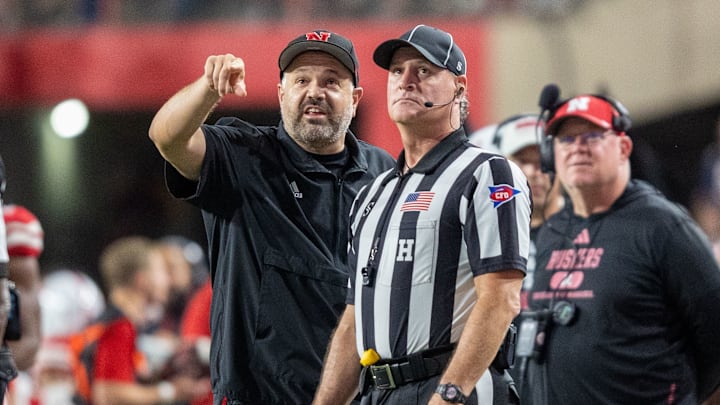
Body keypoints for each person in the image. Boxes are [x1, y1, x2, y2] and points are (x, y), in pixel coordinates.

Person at [148, 29, 395, 404]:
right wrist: (208, 88)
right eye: (301, 80)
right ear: (282, 93)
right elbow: (168, 138)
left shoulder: (384, 172)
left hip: (357, 396)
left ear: (355, 98)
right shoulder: (242, 155)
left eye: (331, 81)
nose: (315, 91)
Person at [313, 24, 531, 405]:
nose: (405, 81)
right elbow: (353, 322)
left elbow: (501, 298)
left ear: (460, 88)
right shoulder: (372, 194)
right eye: (397, 71)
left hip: (452, 388)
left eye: (424, 70)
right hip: (377, 391)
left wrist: (448, 395)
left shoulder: (487, 172)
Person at [524, 86, 720, 404]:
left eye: (592, 137)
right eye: (567, 140)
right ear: (552, 153)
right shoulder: (551, 232)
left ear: (624, 147)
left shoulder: (663, 226)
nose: (578, 148)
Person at [76, 236, 210, 404]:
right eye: (161, 271)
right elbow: (108, 396)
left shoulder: (115, 322)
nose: (167, 281)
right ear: (142, 279)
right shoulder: (119, 327)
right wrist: (171, 392)